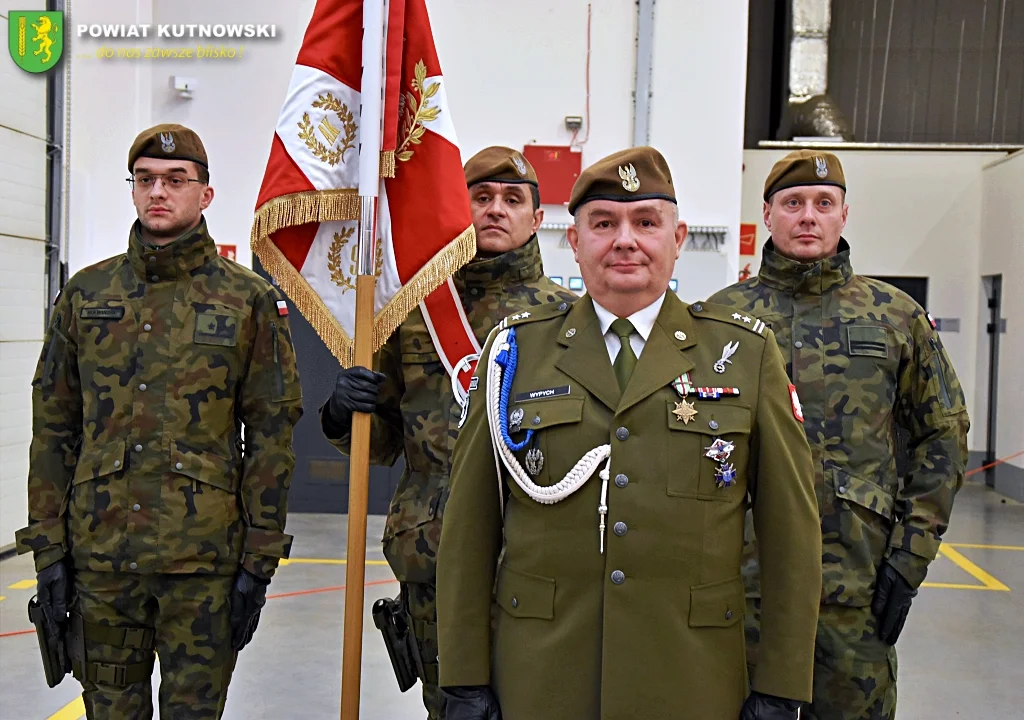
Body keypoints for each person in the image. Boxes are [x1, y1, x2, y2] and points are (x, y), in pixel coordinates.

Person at [436, 146, 823, 720]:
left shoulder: (743, 354)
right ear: (573, 241)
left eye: (645, 221)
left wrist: (782, 686)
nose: (624, 240)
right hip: (542, 676)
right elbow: (469, 528)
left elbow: (791, 534)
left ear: (678, 237)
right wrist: (463, 677)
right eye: (603, 223)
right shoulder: (513, 352)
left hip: (692, 678)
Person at [15, 123, 303, 719]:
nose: (158, 192)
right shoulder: (86, 294)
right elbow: (54, 428)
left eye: (176, 180)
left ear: (206, 194)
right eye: (145, 180)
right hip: (102, 562)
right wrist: (48, 550)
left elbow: (272, 433)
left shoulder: (246, 300)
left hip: (202, 566)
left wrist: (259, 558)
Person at [709, 149, 970, 720]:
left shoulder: (894, 317)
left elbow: (943, 436)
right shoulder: (718, 318)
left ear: (843, 216)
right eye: (793, 203)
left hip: (855, 589)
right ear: (768, 213)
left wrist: (910, 556)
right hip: (738, 592)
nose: (808, 216)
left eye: (823, 204)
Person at [321, 147, 576, 719]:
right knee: (449, 709)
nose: (495, 210)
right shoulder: (411, 314)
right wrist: (343, 416)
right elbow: (384, 440)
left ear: (538, 219)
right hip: (434, 555)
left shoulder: (572, 320)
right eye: (480, 198)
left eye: (513, 200)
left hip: (540, 558)